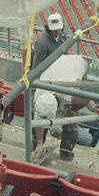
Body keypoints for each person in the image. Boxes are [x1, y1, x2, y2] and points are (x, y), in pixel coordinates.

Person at [31, 13, 67, 153]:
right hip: (44, 78)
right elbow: (37, 66)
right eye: (54, 29)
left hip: (57, 75)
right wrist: (38, 86)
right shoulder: (42, 42)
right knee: (42, 108)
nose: (57, 31)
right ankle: (37, 144)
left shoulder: (63, 37)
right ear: (48, 27)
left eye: (59, 28)